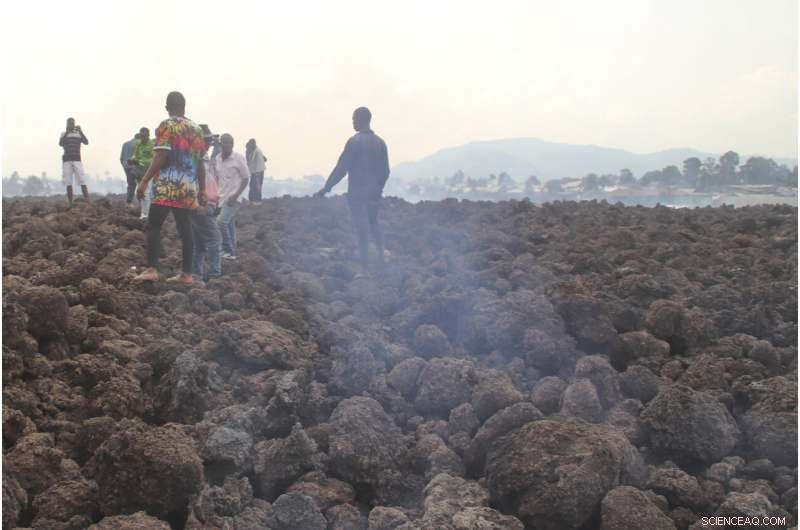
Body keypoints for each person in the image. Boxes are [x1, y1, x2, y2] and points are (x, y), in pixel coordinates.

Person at [133, 91, 206, 284]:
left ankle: (152, 269)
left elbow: (161, 156)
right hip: (188, 188)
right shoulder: (196, 129)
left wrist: (144, 181)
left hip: (167, 185)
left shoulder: (167, 126)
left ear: (167, 107)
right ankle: (187, 274)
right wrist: (203, 190)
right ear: (184, 106)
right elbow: (201, 163)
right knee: (185, 227)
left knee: (154, 225)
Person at [314, 107, 390, 273]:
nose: (353, 122)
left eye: (354, 119)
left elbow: (342, 168)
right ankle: (382, 257)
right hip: (374, 193)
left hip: (357, 193)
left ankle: (364, 269)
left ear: (361, 119)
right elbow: (385, 171)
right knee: (374, 223)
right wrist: (378, 189)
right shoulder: (380, 142)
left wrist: (326, 188)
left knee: (362, 229)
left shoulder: (354, 142)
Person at [191, 125, 222, 281]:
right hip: (201, 207)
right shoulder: (195, 159)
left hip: (207, 205)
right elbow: (191, 183)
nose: (209, 144)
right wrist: (198, 204)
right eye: (207, 140)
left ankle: (196, 274)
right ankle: (215, 276)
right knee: (215, 241)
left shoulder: (205, 158)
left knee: (200, 244)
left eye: (210, 141)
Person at [214, 134, 250, 260]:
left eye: (228, 143)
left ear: (232, 144)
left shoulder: (239, 158)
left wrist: (236, 195)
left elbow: (246, 178)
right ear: (220, 144)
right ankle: (231, 250)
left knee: (220, 222)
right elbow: (218, 179)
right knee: (228, 224)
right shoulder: (217, 158)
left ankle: (228, 251)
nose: (225, 145)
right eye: (223, 142)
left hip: (234, 198)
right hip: (222, 197)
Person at [59, 117, 90, 205]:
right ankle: (70, 202)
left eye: (72, 123)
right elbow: (61, 143)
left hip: (77, 159)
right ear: (66, 124)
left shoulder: (78, 133)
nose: (71, 125)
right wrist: (67, 132)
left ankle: (87, 200)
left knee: (82, 179)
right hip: (66, 160)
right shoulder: (63, 134)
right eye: (69, 123)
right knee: (68, 182)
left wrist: (81, 131)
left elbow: (86, 142)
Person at [129, 127, 154, 219]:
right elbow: (136, 155)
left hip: (148, 171)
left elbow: (153, 159)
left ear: (148, 135)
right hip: (139, 171)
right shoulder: (138, 144)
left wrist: (138, 162)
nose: (142, 137)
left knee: (146, 192)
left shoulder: (152, 145)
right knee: (139, 193)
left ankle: (145, 215)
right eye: (141, 135)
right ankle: (145, 212)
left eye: (144, 135)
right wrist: (132, 160)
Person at [120, 133, 139, 204]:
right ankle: (131, 201)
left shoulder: (125, 144)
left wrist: (124, 166)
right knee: (138, 184)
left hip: (126, 166)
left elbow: (121, 158)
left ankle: (129, 201)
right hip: (135, 166)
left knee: (130, 184)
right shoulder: (139, 143)